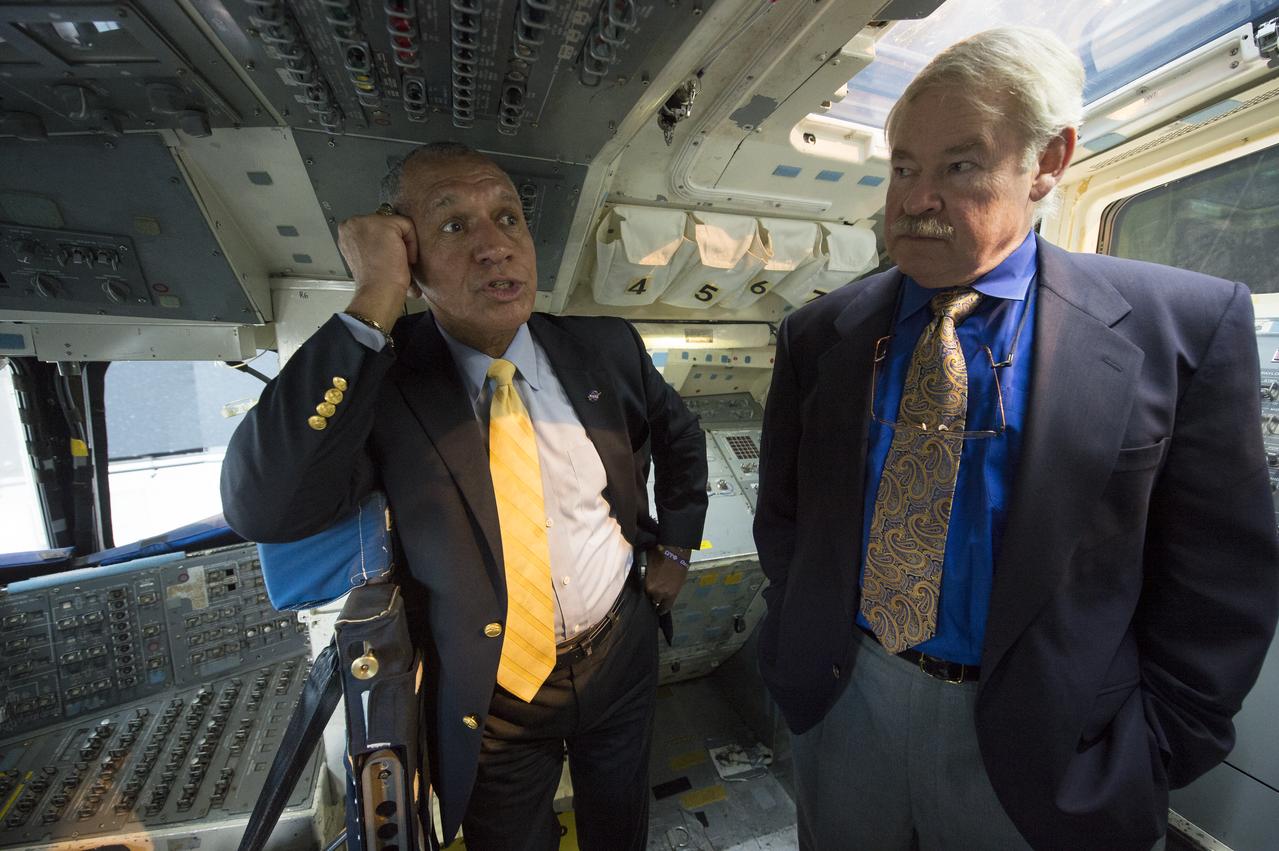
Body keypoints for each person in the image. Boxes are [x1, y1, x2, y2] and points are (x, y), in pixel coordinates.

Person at [752, 26, 1279, 851]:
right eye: (902, 168)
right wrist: (793, 653)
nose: (913, 200)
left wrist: (1154, 749)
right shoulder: (818, 332)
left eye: (958, 166)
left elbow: (1221, 581)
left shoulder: (1182, 326)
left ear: (1048, 161)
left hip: (1054, 736)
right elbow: (785, 519)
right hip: (846, 700)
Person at [220, 141, 708, 850]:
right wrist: (373, 300)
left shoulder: (605, 346)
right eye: (454, 226)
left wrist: (677, 544)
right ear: (407, 256)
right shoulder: (385, 382)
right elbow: (264, 503)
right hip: (494, 694)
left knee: (620, 827)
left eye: (507, 219)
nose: (494, 247)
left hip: (620, 649)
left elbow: (680, 432)